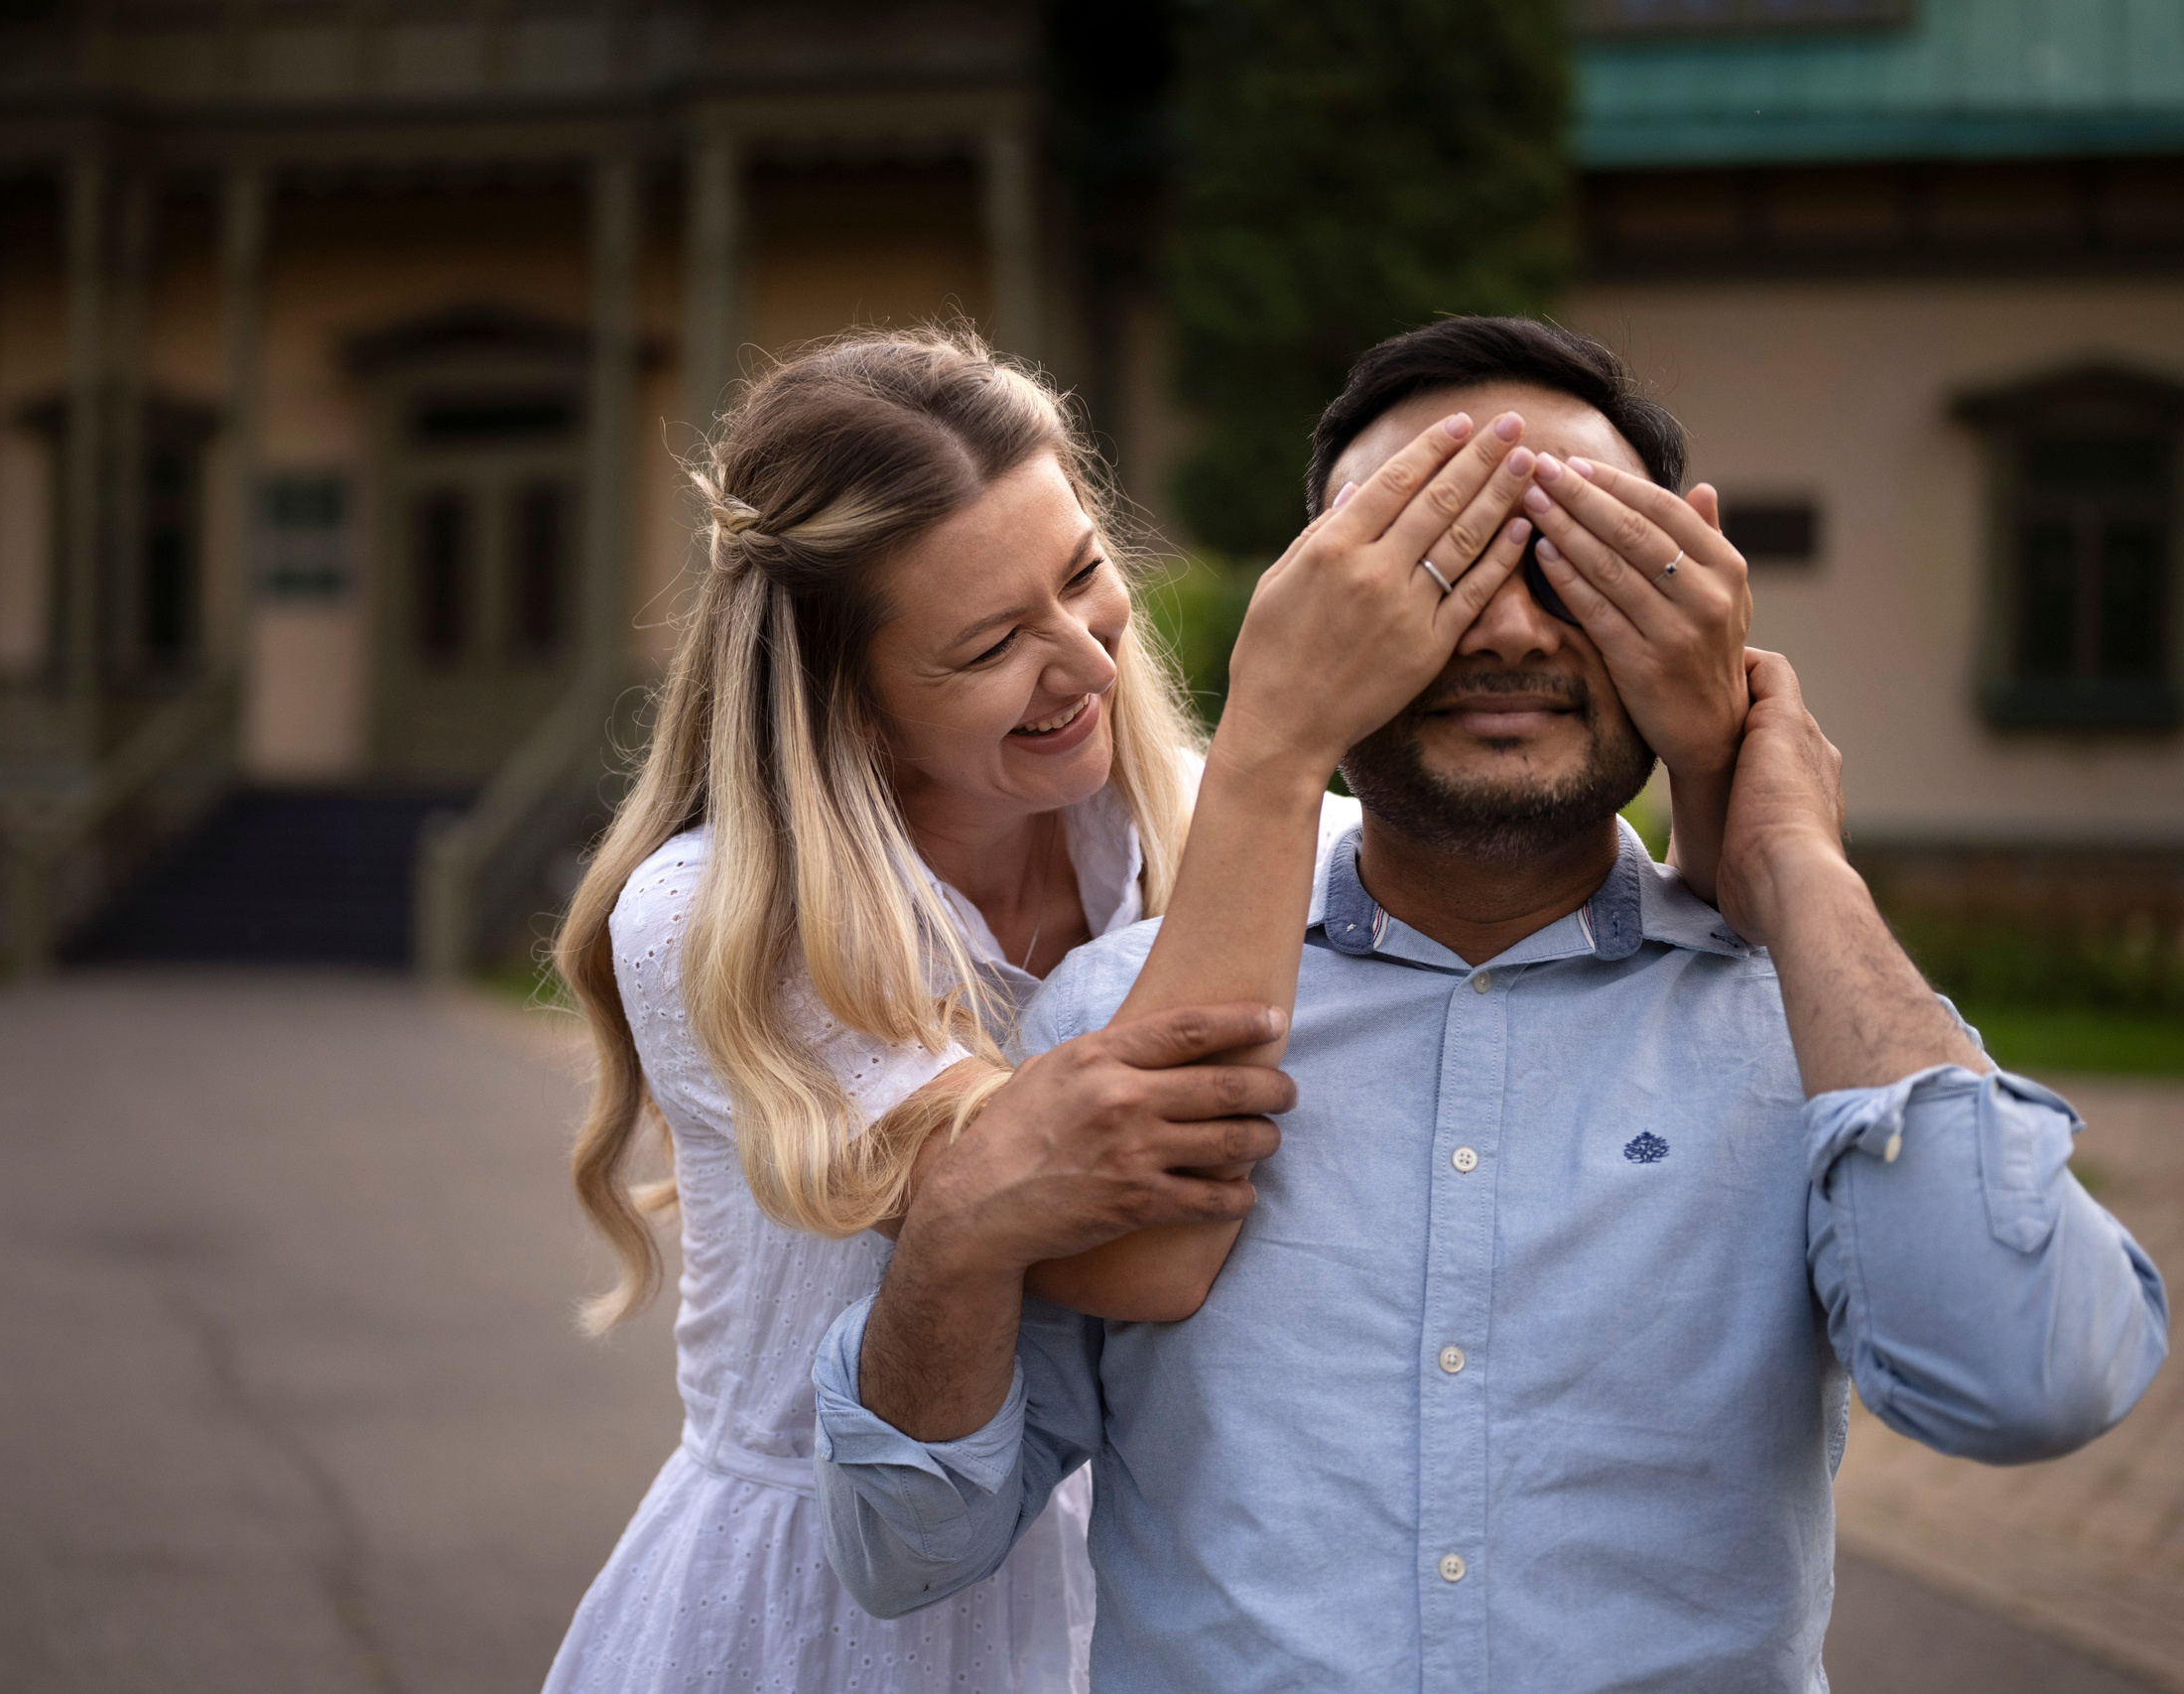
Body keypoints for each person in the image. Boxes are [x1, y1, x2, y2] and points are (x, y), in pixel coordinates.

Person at [812, 319, 2171, 1692]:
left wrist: (1793, 863)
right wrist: (951, 1247)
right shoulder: (1105, 1016)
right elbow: (909, 1547)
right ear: (1313, 614)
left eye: (1575, 563)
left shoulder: (1817, 1026)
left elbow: (2031, 1383)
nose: (1510, 629)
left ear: (1690, 597)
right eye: (1434, 566)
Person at [540, 326, 1742, 1692]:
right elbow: (1143, 1257)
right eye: (993, 642)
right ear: (852, 705)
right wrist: (1279, 743)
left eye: (1084, 576)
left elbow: (1621, 934)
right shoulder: (724, 917)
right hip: (828, 1607)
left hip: (1132, 1587)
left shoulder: (1208, 836)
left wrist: (1712, 761)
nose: (1086, 661)